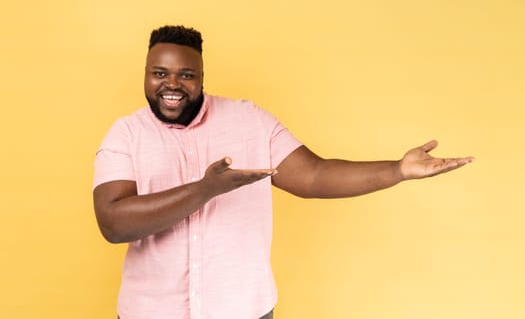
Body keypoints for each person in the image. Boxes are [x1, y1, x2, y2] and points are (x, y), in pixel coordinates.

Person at [93, 25, 474, 319]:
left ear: (202, 76)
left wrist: (397, 170)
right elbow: (113, 222)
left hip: (244, 310)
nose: (171, 85)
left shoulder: (248, 121)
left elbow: (313, 175)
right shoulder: (125, 134)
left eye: (185, 75)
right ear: (145, 74)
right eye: (159, 73)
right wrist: (204, 190)